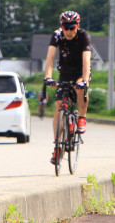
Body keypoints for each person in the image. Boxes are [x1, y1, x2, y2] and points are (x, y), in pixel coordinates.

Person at [44, 10, 91, 164]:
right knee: (58, 109)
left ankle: (82, 117)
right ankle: (57, 146)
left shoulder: (83, 36)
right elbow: (50, 58)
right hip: (64, 72)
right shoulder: (57, 35)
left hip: (80, 71)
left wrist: (84, 80)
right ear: (62, 26)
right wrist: (48, 77)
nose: (69, 31)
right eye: (66, 28)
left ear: (77, 25)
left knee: (80, 88)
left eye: (72, 27)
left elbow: (86, 59)